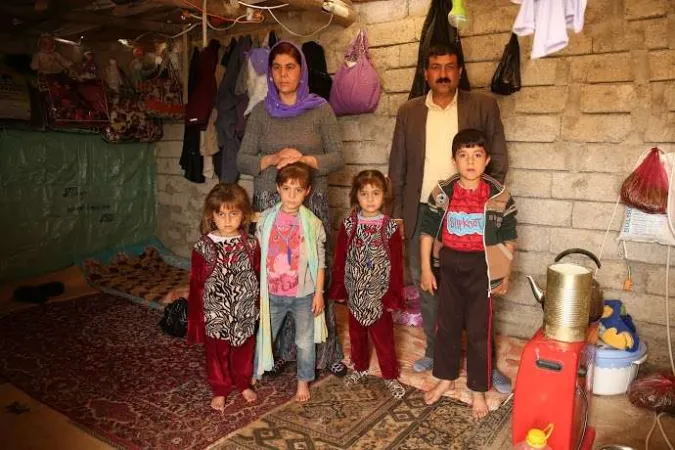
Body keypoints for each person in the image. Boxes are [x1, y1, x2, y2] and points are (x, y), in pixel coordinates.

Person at [388, 43, 512, 393]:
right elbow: (397, 166)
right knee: (429, 286)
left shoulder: (483, 105)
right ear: (425, 73)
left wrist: (487, 202)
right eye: (435, 67)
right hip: (425, 213)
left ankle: (482, 363)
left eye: (450, 66)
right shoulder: (408, 111)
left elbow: (498, 158)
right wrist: (396, 216)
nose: (442, 73)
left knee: (480, 293)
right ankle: (434, 350)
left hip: (471, 214)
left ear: (459, 71)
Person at [237, 40, 346, 378]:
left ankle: (326, 353)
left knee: (312, 277)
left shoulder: (321, 109)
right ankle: (278, 352)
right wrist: (271, 159)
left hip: (310, 202)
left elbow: (338, 157)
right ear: (270, 73)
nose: (283, 74)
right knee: (276, 279)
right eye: (277, 67)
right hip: (271, 206)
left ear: (302, 71)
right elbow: (242, 158)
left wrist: (305, 159)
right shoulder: (260, 112)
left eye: (290, 66)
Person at [418, 129, 518, 418]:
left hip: (481, 270)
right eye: (463, 155)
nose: (470, 162)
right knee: (446, 325)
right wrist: (426, 268)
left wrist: (504, 273)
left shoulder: (499, 196)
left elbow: (509, 237)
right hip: (449, 266)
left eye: (477, 155)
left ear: (486, 161)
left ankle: (477, 389)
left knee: (478, 330)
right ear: (454, 160)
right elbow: (426, 231)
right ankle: (445, 378)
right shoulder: (442, 192)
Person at [254, 162, 329, 403]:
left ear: (307, 191)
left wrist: (319, 293)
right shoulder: (266, 219)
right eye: (287, 189)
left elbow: (320, 263)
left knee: (304, 342)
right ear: (278, 189)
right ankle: (254, 373)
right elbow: (257, 255)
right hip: (272, 293)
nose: (292, 195)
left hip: (303, 294)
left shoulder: (313, 224)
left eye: (298, 190)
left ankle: (303, 381)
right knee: (265, 333)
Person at [329, 170, 407, 399]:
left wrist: (392, 295)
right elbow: (340, 256)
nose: (370, 199)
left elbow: (396, 264)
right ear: (356, 196)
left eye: (376, 193)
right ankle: (360, 367)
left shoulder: (390, 227)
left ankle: (390, 374)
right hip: (355, 292)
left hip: (379, 294)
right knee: (357, 334)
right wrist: (341, 287)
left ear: (384, 196)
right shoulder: (349, 225)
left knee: (383, 338)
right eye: (364, 194)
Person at [186, 183, 260, 412]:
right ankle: (220, 387)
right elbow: (196, 283)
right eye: (221, 214)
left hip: (244, 310)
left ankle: (242, 382)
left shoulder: (250, 243)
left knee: (244, 348)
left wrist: (257, 306)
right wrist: (196, 318)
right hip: (215, 310)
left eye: (234, 214)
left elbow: (257, 274)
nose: (227, 220)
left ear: (244, 215)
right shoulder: (203, 245)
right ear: (212, 215)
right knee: (217, 352)